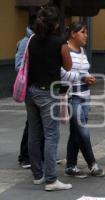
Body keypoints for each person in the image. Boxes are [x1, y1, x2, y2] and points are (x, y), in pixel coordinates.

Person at [25, 7, 72, 191]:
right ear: (56, 24)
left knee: (34, 134)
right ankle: (51, 180)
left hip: (31, 91)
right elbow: (68, 66)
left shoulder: (31, 40)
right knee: (51, 135)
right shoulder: (60, 42)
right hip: (48, 93)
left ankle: (38, 175)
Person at [61, 22, 104, 178]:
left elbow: (84, 70)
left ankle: (71, 166)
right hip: (73, 97)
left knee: (76, 132)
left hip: (86, 96)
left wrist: (89, 78)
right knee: (83, 131)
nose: (86, 35)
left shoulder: (82, 50)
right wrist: (82, 77)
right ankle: (92, 164)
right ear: (73, 33)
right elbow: (62, 73)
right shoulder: (64, 49)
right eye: (83, 32)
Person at [15, 12, 36, 169]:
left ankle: (36, 155)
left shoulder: (37, 40)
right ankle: (25, 156)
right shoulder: (25, 42)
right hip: (30, 87)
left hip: (38, 86)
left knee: (36, 122)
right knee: (32, 122)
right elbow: (18, 65)